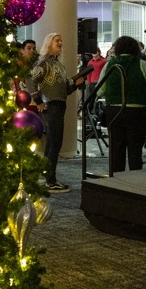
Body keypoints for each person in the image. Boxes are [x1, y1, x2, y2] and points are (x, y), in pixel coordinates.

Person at [31, 32, 86, 191]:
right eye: (57, 41)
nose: (60, 43)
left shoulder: (59, 65)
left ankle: (48, 175)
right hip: (51, 106)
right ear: (49, 44)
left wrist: (76, 84)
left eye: (61, 40)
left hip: (59, 105)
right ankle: (50, 180)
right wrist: (39, 101)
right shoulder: (44, 62)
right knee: (55, 143)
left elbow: (66, 90)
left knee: (52, 143)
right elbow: (30, 80)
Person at [94, 35, 146, 173]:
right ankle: (135, 178)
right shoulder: (142, 64)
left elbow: (99, 91)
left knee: (116, 148)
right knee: (135, 149)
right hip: (136, 111)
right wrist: (138, 95)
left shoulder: (109, 65)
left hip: (114, 111)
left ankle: (116, 180)